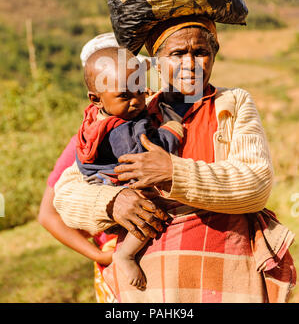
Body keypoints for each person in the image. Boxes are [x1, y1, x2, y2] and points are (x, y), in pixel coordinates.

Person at [51, 16, 296, 303]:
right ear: (156, 61)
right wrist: (113, 201)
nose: (190, 63)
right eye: (177, 54)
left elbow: (256, 185)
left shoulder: (233, 104)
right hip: (149, 291)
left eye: (201, 52)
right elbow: (65, 193)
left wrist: (173, 171)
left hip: (227, 281)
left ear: (214, 54)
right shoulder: (132, 110)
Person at [75, 45, 183, 290]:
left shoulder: (97, 118)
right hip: (118, 183)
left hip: (101, 178)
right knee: (148, 207)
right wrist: (171, 131)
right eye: (125, 96)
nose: (136, 102)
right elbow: (147, 156)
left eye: (140, 91)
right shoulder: (122, 131)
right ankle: (126, 254)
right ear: (95, 98)